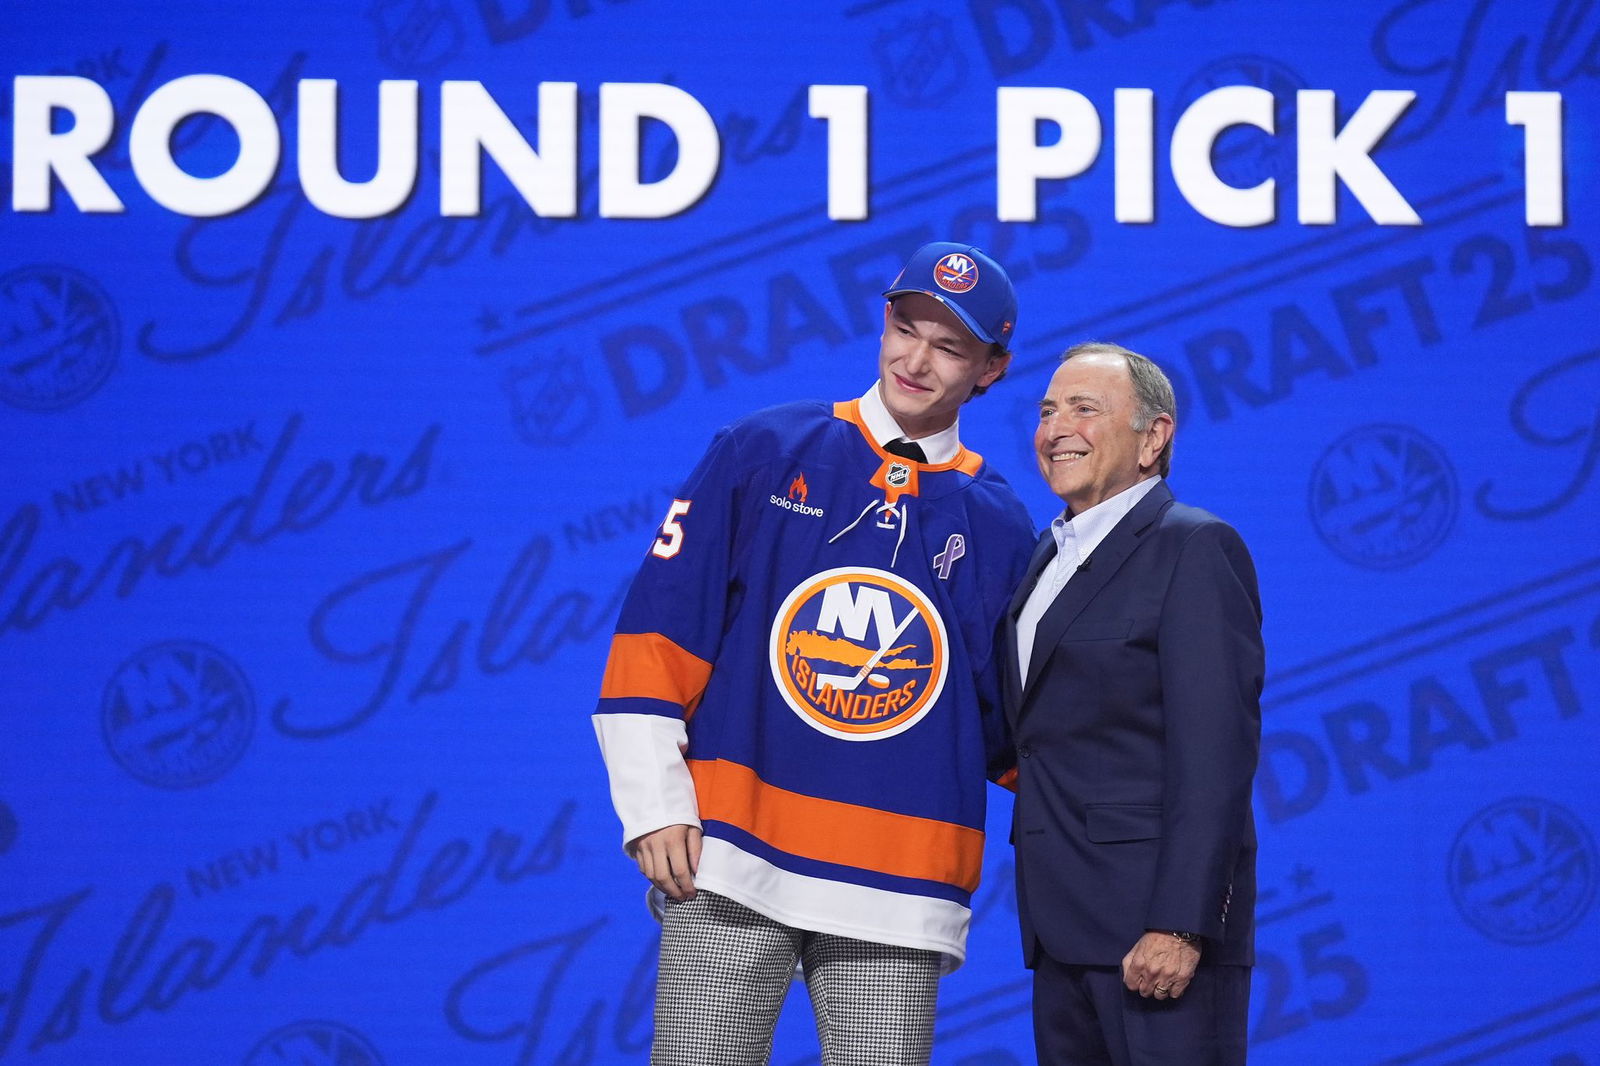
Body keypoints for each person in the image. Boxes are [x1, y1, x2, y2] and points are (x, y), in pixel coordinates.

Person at [593, 242, 1037, 1065]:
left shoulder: (1001, 524)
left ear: (992, 370)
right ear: (883, 322)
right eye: (906, 329)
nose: (916, 359)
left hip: (899, 888)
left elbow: (1018, 727)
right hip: (728, 862)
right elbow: (660, 630)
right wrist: (654, 803)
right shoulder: (765, 450)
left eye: (950, 347)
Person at [1003, 342, 1264, 1065]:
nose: (1057, 428)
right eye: (1048, 410)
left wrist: (1180, 926)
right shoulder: (1043, 557)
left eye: (1086, 409)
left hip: (1153, 932)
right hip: (1059, 930)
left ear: (1154, 437)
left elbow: (1216, 756)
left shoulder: (1195, 548)